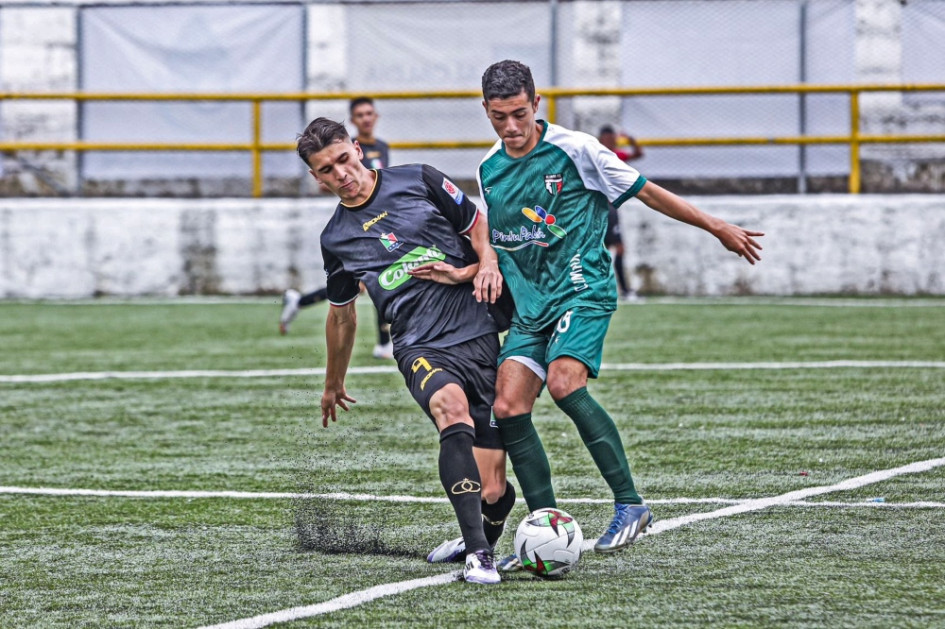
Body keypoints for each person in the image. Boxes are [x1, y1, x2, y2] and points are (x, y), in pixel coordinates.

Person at [474, 59, 762, 568]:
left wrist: (715, 225)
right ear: (486, 111)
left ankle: (630, 503)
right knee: (508, 406)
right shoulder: (488, 169)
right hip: (531, 307)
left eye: (520, 114)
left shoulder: (577, 150)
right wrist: (484, 266)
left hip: (581, 290)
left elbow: (646, 191)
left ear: (537, 104)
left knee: (564, 382)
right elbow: (492, 237)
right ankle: (546, 528)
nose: (512, 127)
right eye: (500, 117)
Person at [298, 117, 516, 585]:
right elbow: (341, 316)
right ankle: (480, 555)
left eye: (343, 159)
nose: (341, 174)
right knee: (449, 408)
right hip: (418, 343)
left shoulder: (419, 178)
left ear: (358, 150)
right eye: (327, 169)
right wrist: (333, 382)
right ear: (316, 178)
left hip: (477, 329)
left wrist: (484, 265)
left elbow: (478, 223)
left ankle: (479, 533)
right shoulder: (335, 238)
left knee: (495, 490)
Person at [279, 97, 394, 360]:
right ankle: (384, 343)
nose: (366, 118)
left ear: (376, 116)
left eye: (369, 113)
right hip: (360, 222)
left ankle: (299, 301)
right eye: (360, 115)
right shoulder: (340, 148)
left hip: (383, 218)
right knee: (374, 279)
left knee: (373, 281)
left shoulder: (382, 147)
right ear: (353, 120)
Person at [598, 125, 643, 302]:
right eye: (606, 139)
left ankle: (621, 289)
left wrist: (631, 140)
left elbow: (638, 154)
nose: (609, 142)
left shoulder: (616, 156)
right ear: (601, 140)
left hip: (612, 208)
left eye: (612, 139)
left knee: (616, 249)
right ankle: (616, 290)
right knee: (605, 249)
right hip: (602, 207)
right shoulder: (595, 155)